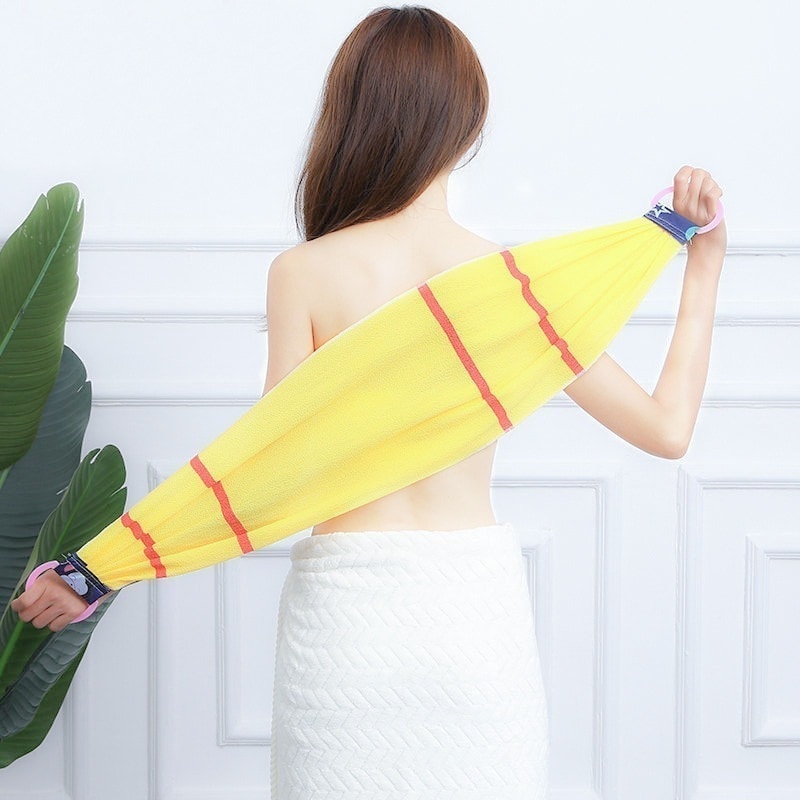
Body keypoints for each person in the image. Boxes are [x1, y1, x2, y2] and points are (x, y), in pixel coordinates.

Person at [12, 4, 726, 797]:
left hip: (348, 627)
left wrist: (95, 572)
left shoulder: (306, 273)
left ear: (349, 117)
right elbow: (668, 430)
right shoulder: (519, 290)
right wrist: (703, 260)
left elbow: (266, 467)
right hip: (474, 626)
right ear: (468, 124)